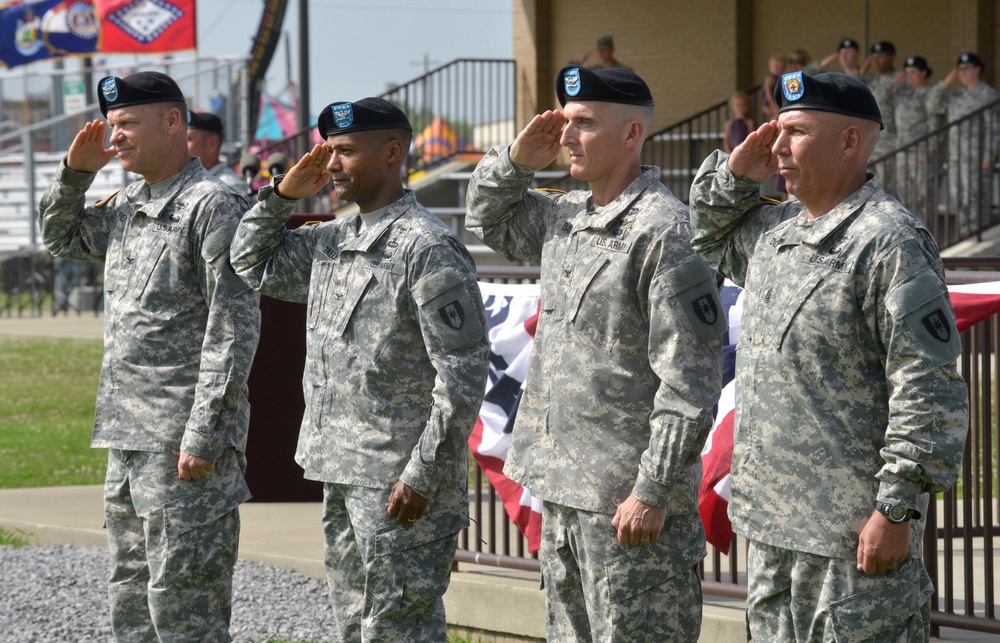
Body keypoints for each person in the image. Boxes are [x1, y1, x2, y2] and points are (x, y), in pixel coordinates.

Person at [689, 71, 969, 641]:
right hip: (773, 530)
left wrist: (896, 508)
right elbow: (706, 234)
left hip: (850, 541)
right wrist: (736, 176)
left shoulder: (890, 240)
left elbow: (927, 384)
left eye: (796, 131)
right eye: (775, 130)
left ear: (849, 142)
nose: (778, 147)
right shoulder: (775, 233)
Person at [466, 66, 725, 641]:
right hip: (564, 487)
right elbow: (487, 215)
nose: (567, 135)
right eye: (565, 121)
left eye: (584, 123)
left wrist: (652, 489)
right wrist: (515, 160)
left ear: (632, 134)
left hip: (626, 501)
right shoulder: (567, 217)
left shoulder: (664, 232)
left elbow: (690, 379)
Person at [230, 97, 489, 641]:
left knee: (399, 630)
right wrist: (280, 197)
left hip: (400, 480)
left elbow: (462, 374)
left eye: (345, 151)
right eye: (327, 151)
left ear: (392, 152)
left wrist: (422, 473)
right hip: (342, 471)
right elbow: (250, 261)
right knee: (355, 628)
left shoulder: (426, 247)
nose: (331, 165)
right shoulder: (333, 239)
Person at [38, 71, 261, 641]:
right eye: (112, 126)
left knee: (185, 611)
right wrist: (74, 176)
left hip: (181, 439)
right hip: (127, 434)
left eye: (129, 124)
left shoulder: (213, 205)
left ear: (172, 122)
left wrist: (204, 433)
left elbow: (232, 325)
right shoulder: (129, 202)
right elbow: (61, 238)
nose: (116, 138)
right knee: (132, 602)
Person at [928, 52, 1000, 236]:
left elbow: (994, 129)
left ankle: (978, 240)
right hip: (955, 158)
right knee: (958, 200)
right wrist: (945, 83)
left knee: (975, 201)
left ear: (978, 69)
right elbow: (932, 105)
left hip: (976, 158)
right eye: (960, 69)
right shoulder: (956, 95)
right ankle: (964, 239)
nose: (963, 73)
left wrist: (988, 157)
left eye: (967, 68)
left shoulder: (988, 95)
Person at [893, 56, 945, 212]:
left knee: (924, 198)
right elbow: (887, 95)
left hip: (921, 154)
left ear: (924, 72)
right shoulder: (904, 94)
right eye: (906, 73)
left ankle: (924, 234)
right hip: (903, 152)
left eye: (913, 72)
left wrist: (929, 151)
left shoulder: (931, 94)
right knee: (905, 197)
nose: (909, 76)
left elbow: (935, 125)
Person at [860, 41, 900, 189]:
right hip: (872, 144)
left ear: (891, 57)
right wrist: (864, 68)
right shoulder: (873, 81)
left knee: (890, 188)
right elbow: (853, 83)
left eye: (880, 56)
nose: (875, 60)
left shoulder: (899, 80)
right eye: (873, 57)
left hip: (892, 143)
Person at [187, 110, 252, 197]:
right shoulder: (191, 182)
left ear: (212, 143)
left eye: (188, 139)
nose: (181, 145)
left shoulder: (230, 187)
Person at [761, 54, 787, 120]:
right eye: (777, 67)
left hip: (776, 100)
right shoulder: (770, 79)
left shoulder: (780, 78)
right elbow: (768, 91)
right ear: (770, 67)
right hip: (770, 101)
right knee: (776, 115)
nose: (779, 70)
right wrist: (772, 103)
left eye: (782, 67)